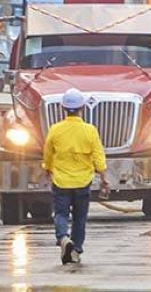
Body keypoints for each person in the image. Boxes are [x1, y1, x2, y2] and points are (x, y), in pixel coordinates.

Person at [42, 88, 110, 264]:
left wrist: (47, 169)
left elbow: (48, 154)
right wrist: (103, 177)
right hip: (82, 182)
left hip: (61, 181)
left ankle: (63, 238)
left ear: (63, 108)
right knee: (80, 217)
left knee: (61, 214)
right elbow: (98, 156)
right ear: (82, 108)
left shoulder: (55, 130)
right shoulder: (90, 130)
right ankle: (76, 249)